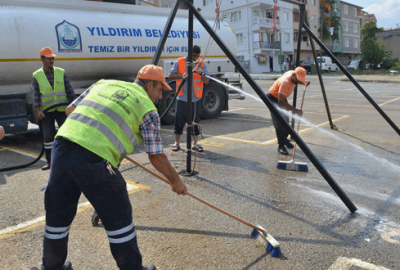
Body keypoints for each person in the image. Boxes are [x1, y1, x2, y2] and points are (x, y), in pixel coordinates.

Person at [34, 64, 188, 270]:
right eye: (160, 90)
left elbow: (70, 110)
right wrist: (176, 181)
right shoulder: (148, 109)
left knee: (57, 216)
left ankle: (51, 267)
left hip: (61, 148)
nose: (159, 97)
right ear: (150, 85)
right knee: (119, 219)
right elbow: (157, 156)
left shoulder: (103, 84)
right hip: (96, 160)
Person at [32, 47, 77, 170]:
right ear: (42, 59)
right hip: (47, 112)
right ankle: (51, 162)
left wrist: (75, 105)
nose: (51, 61)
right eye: (48, 58)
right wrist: (38, 111)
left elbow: (69, 90)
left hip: (62, 110)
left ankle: (70, 159)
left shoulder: (61, 72)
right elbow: (36, 94)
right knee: (48, 137)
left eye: (52, 58)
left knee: (67, 135)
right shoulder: (37, 75)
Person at [168, 45, 209, 152]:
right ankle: (177, 143)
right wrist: (181, 76)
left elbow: (207, 81)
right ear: (189, 53)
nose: (195, 58)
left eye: (197, 56)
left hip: (196, 99)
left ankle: (195, 144)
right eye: (194, 55)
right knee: (179, 120)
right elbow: (170, 75)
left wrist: (201, 72)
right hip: (182, 97)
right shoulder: (180, 61)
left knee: (196, 121)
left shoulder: (202, 63)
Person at [266, 67, 310, 155]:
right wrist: (296, 110)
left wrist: (304, 83)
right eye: (297, 80)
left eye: (300, 80)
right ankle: (281, 146)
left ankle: (285, 140)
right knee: (279, 123)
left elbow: (298, 80)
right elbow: (281, 101)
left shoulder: (294, 75)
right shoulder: (285, 82)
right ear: (293, 75)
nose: (298, 82)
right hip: (273, 99)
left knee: (286, 121)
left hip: (281, 98)